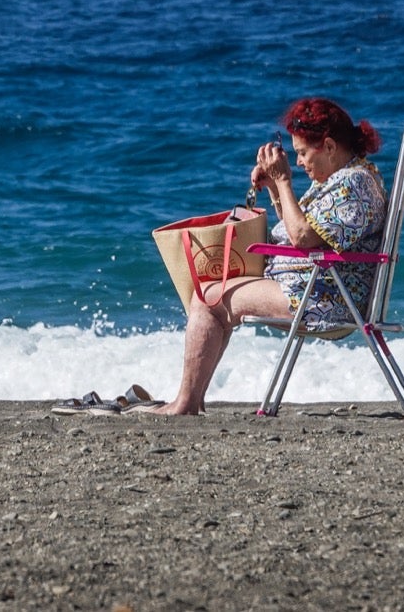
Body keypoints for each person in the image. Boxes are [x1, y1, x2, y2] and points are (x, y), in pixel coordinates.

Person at [151, 97, 386, 416]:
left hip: (324, 299)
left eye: (303, 152)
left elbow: (303, 238)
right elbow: (301, 231)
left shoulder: (352, 184)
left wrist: (284, 180)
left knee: (207, 298)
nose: (300, 162)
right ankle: (192, 401)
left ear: (328, 146)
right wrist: (276, 190)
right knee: (212, 291)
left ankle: (186, 403)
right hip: (321, 290)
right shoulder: (349, 177)